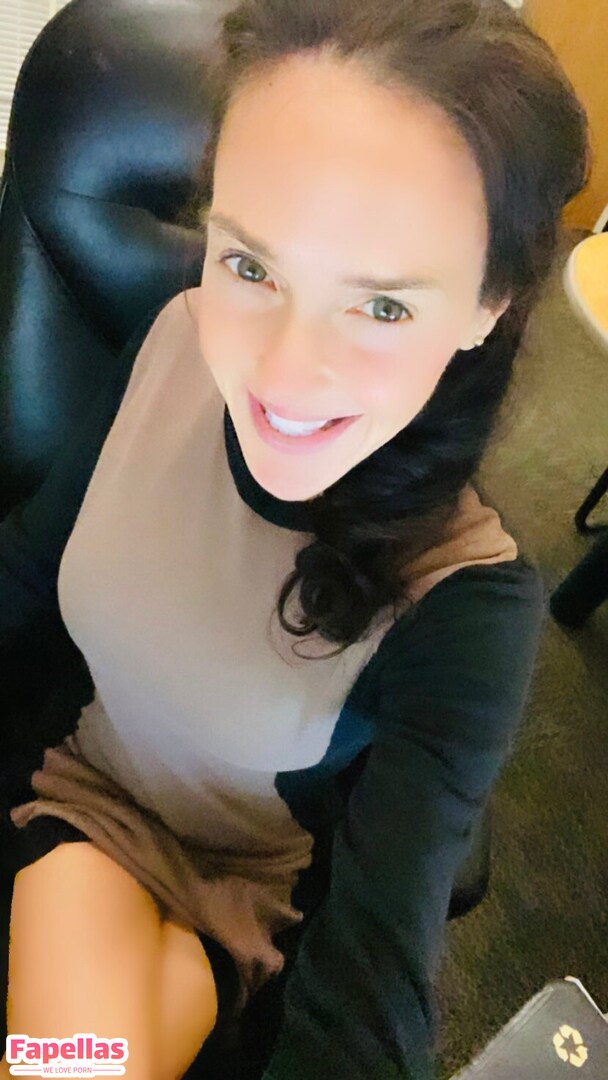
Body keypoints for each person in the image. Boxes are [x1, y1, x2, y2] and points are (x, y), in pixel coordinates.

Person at [0, 0, 590, 1077]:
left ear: (487, 304)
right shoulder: (173, 342)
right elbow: (30, 566)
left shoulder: (467, 602)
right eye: (249, 265)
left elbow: (376, 977)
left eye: (381, 308)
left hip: (254, 893)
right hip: (88, 809)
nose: (277, 373)